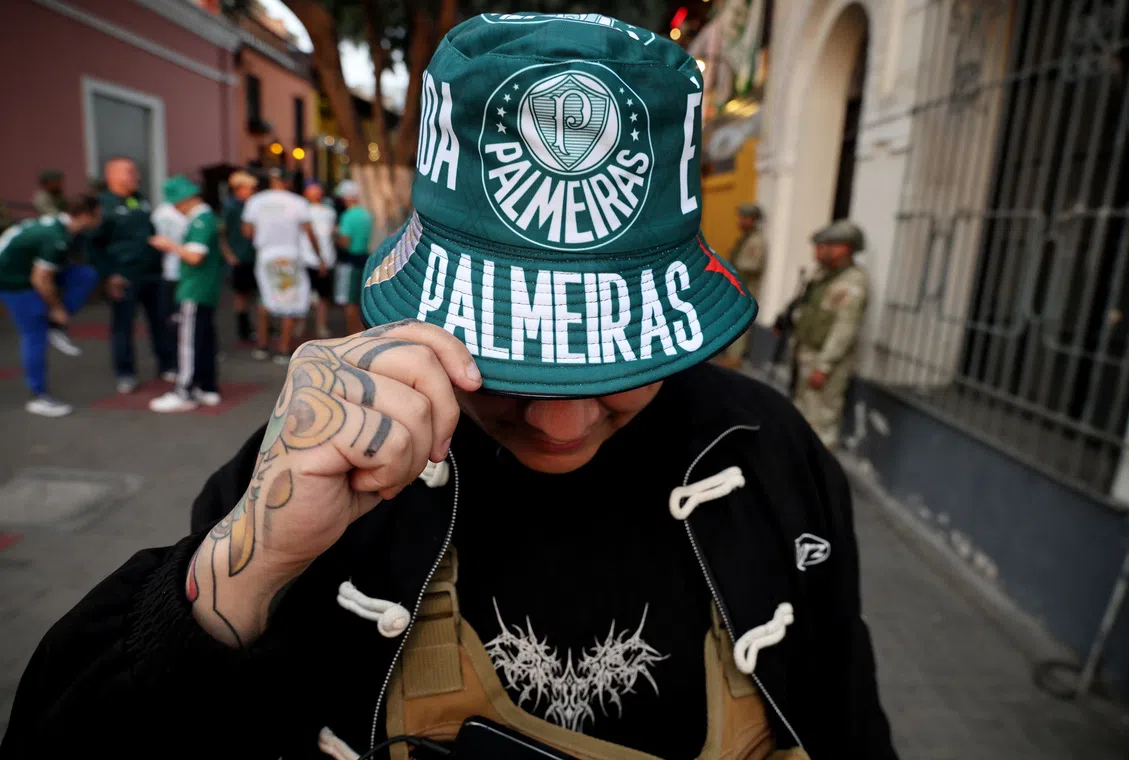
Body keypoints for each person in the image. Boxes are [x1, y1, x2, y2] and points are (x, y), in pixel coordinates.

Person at [1, 15, 896, 760]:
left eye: (615, 363)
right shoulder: (326, 457)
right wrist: (253, 563)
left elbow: (850, 719)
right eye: (506, 361)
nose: (559, 419)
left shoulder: (769, 454)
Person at [0, 195, 101, 417]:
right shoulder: (55, 237)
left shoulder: (62, 226)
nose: (100, 219)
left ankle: (55, 325)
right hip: (13, 281)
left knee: (85, 275)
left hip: (25, 269)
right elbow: (41, 280)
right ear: (85, 216)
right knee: (34, 334)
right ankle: (38, 396)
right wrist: (56, 307)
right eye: (98, 214)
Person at [89, 156, 176, 393]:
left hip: (152, 274)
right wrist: (109, 275)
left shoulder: (140, 201)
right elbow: (93, 246)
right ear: (112, 176)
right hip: (123, 276)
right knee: (123, 326)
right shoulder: (103, 205)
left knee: (160, 322)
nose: (135, 177)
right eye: (129, 172)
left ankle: (167, 365)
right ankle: (125, 373)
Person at [146, 176, 225, 413]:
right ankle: (207, 386)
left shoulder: (200, 220)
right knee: (203, 338)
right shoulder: (207, 218)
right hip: (204, 288)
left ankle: (185, 391)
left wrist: (169, 245)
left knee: (189, 342)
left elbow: (194, 256)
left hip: (195, 288)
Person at [790, 220, 870, 450]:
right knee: (802, 411)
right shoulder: (823, 276)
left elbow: (844, 329)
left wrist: (824, 366)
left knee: (822, 420)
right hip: (807, 351)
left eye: (824, 246)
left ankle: (819, 469)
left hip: (825, 361)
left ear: (843, 248)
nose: (818, 252)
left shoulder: (852, 282)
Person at [241, 168, 320, 364]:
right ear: (287, 182)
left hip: (266, 255)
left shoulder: (255, 201)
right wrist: (319, 257)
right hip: (290, 254)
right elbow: (310, 232)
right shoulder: (298, 202)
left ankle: (262, 345)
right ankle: (284, 349)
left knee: (265, 298)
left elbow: (247, 232)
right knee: (289, 302)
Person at [718, 203, 768, 369]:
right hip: (737, 288)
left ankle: (735, 358)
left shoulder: (756, 241)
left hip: (746, 289)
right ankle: (730, 354)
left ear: (753, 220)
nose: (740, 221)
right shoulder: (745, 238)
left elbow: (751, 266)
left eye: (744, 218)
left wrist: (728, 268)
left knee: (741, 322)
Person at [219, 171, 259, 343]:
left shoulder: (253, 205)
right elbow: (221, 233)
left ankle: (260, 326)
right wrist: (229, 255)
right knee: (241, 295)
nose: (252, 191)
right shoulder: (231, 206)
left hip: (253, 255)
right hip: (239, 257)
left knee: (255, 293)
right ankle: (243, 328)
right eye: (249, 188)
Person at [151, 194, 189, 357]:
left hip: (183, 271)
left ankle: (181, 350)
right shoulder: (165, 213)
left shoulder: (189, 211)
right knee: (173, 316)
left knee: (181, 315)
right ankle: (174, 352)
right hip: (173, 271)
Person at [333, 179, 372, 335]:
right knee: (359, 300)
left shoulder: (348, 216)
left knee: (349, 302)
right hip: (363, 259)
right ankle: (361, 333)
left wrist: (334, 235)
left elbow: (345, 242)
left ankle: (353, 336)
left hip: (349, 260)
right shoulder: (366, 214)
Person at [300, 180, 337, 338]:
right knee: (303, 295)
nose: (315, 193)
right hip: (305, 259)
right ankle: (300, 324)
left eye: (317, 190)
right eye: (312, 190)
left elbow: (331, 235)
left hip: (327, 260)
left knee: (323, 296)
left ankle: (321, 325)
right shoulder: (302, 211)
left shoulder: (330, 212)